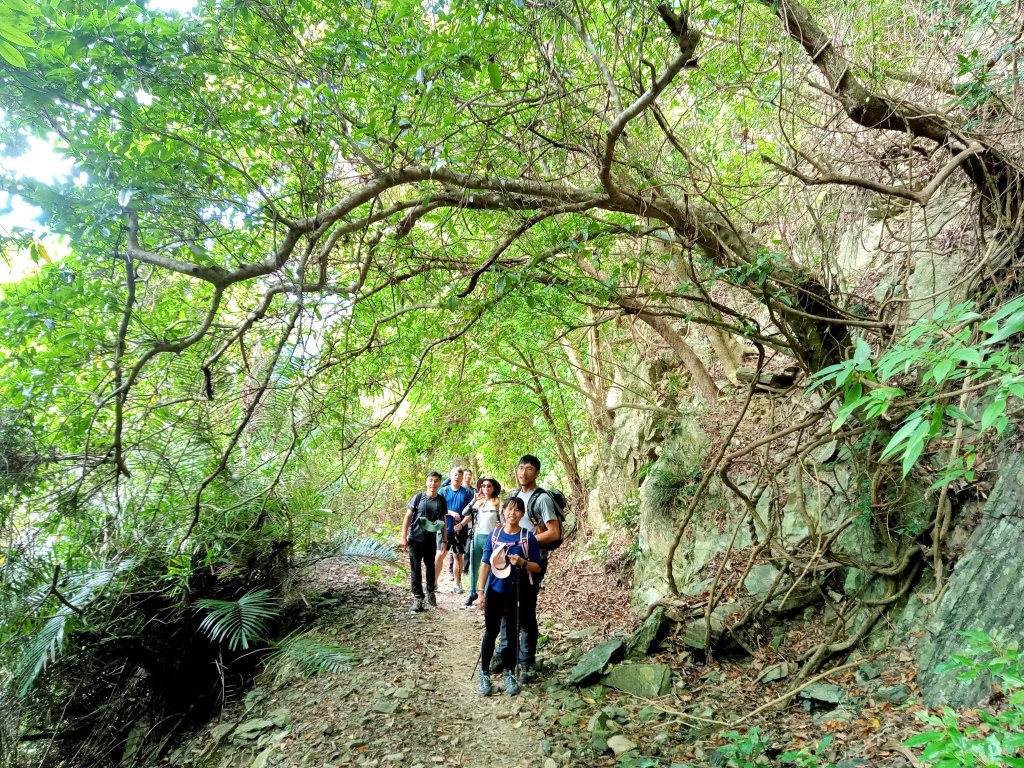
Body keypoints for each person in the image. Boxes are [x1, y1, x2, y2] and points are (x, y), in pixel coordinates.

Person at [492, 454, 561, 683]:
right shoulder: (516, 496)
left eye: (529, 468)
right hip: (509, 562)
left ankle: (526, 661)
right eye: (521, 467)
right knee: (506, 608)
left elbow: (554, 533)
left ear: (537, 473)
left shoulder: (542, 499)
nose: (523, 472)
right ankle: (504, 653)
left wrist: (523, 543)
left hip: (531, 563)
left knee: (526, 611)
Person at [477, 496, 541, 697]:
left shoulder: (527, 537)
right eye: (509, 509)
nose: (512, 513)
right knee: (491, 632)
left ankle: (509, 673)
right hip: (494, 592)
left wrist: (522, 562)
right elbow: (485, 564)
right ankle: (484, 673)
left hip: (516, 594)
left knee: (512, 634)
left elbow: (537, 567)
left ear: (522, 514)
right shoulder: (494, 535)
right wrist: (480, 593)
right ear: (502, 511)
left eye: (517, 510)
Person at [400, 471, 447, 613]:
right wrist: (403, 537)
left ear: (439, 483)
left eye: (436, 480)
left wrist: (444, 539)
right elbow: (408, 517)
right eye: (431, 480)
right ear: (427, 482)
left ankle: (431, 592)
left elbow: (442, 521)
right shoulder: (418, 498)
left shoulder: (441, 500)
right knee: (415, 570)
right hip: (415, 539)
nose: (433, 483)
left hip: (431, 540)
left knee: (430, 568)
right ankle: (418, 598)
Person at [460, 476, 502, 608]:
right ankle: (472, 593)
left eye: (489, 486)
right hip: (477, 536)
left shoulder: (499, 504)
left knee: (488, 567)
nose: (485, 488)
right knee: (473, 566)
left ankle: (486, 595)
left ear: (494, 488)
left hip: (491, 538)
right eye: (483, 486)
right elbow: (465, 513)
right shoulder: (479, 503)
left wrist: (500, 527)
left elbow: (504, 522)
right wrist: (474, 499)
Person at [437, 466, 474, 593]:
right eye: (455, 474)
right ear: (450, 476)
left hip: (460, 530)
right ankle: (434, 582)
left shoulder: (467, 492)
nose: (457, 477)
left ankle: (458, 584)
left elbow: (471, 513)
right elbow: (437, 508)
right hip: (444, 528)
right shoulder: (444, 491)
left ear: (462, 477)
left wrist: (462, 524)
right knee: (440, 554)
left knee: (458, 556)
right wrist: (452, 513)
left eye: (459, 475)